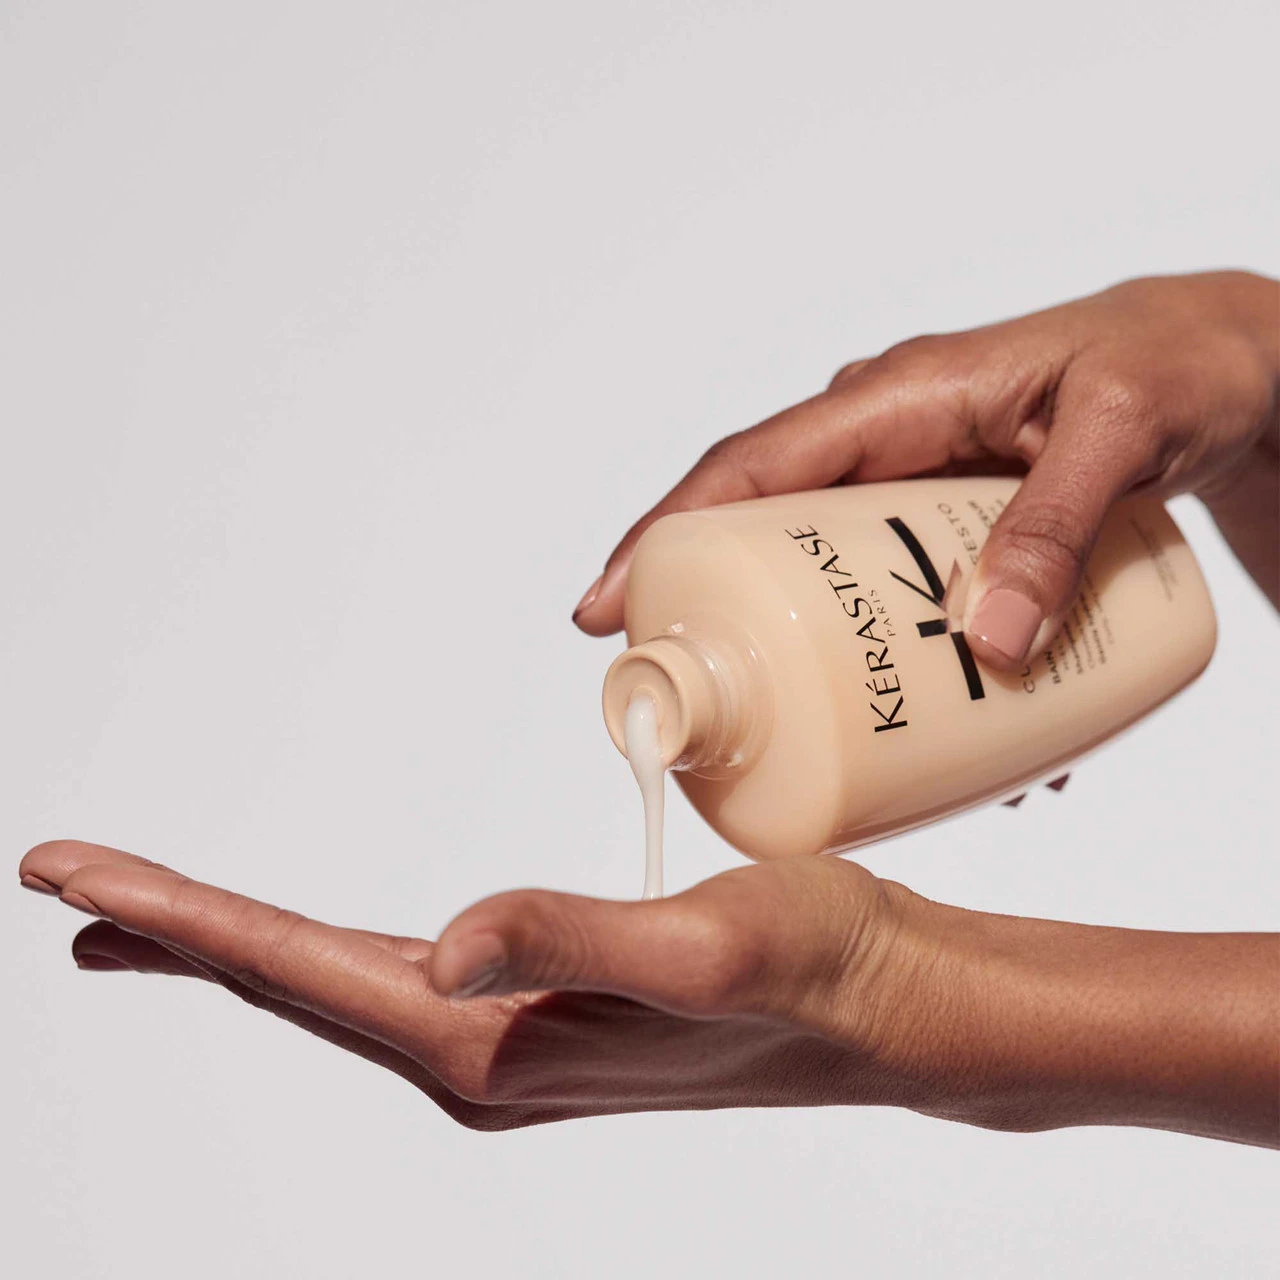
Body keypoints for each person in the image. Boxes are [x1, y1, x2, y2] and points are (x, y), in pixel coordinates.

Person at [18, 270, 1279, 1144]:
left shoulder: (770, 793)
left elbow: (900, 987)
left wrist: (906, 993)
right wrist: (1252, 360)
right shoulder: (767, 793)